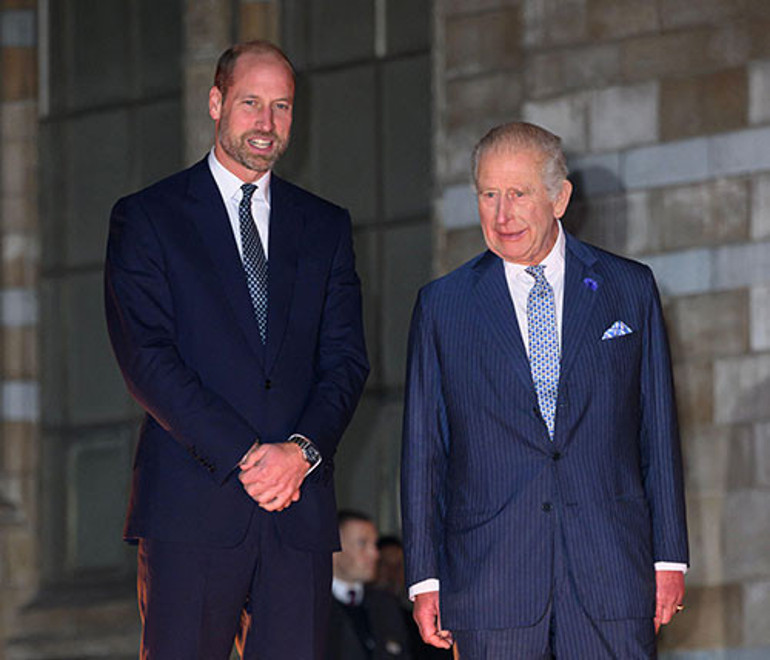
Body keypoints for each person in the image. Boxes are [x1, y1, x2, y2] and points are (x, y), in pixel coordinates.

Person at [104, 40, 369, 659]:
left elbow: (346, 361)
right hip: (191, 510)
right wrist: (248, 455)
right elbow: (146, 357)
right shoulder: (149, 217)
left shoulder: (325, 226)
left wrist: (299, 454)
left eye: (282, 107)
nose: (267, 123)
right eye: (252, 103)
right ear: (217, 102)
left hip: (297, 511)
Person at [400, 121, 688, 658]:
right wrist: (424, 578)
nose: (501, 214)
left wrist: (668, 558)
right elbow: (424, 452)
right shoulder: (443, 306)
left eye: (518, 193)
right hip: (490, 581)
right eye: (488, 194)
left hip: (610, 572)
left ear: (559, 197)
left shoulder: (629, 289)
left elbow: (658, 432)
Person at [327, 511, 413, 660]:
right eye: (362, 543)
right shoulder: (313, 608)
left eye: (374, 544)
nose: (375, 554)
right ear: (334, 550)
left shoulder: (387, 604)